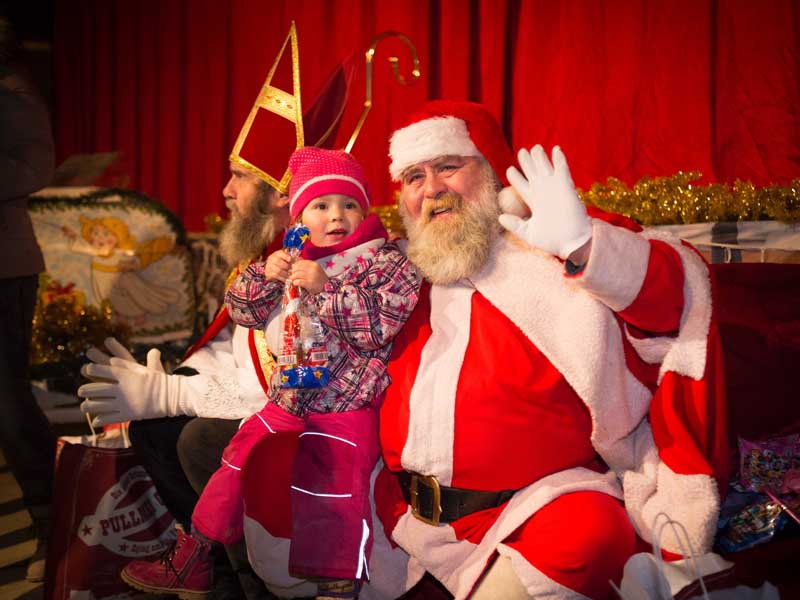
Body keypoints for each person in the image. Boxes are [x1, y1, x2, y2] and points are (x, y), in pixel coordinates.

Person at [242, 101, 727, 600]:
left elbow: (676, 299)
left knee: (589, 535)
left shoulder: (549, 254)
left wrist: (582, 246)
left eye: (448, 167)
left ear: (493, 173)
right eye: (413, 177)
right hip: (399, 513)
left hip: (529, 510)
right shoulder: (393, 274)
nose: (431, 189)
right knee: (274, 460)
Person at [120, 147, 422, 600]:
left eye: (349, 204)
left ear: (365, 209)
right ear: (300, 216)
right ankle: (198, 552)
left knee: (334, 491)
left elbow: (376, 325)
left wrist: (326, 288)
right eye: (321, 206)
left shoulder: (386, 260)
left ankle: (338, 583)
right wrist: (266, 274)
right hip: (288, 400)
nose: (336, 216)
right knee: (233, 463)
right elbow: (242, 309)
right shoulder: (292, 253)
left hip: (347, 406)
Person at [78, 158, 291, 598]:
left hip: (299, 420)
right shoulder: (260, 257)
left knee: (199, 439)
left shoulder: (299, 266)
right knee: (152, 428)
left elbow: (282, 382)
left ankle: (252, 582)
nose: (226, 192)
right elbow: (236, 348)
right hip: (263, 405)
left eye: (240, 177)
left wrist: (177, 393)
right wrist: (176, 379)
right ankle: (209, 565)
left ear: (281, 192)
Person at [0, 15, 57, 582]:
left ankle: (52, 522)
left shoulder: (13, 94)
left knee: (8, 403)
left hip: (5, 268)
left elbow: (35, 167)